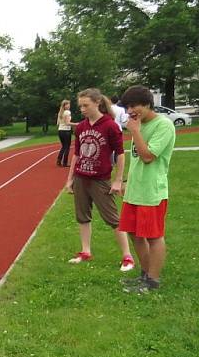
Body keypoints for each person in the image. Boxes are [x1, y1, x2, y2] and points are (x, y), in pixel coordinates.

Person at [64, 88, 135, 272]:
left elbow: (120, 154)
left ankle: (127, 256)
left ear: (97, 103)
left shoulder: (110, 125)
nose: (82, 109)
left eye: (85, 105)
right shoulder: (81, 127)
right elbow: (77, 154)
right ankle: (85, 251)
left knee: (113, 219)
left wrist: (118, 180)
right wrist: (70, 179)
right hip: (81, 177)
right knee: (82, 216)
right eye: (80, 106)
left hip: (100, 179)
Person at [117, 85, 176, 293]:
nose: (131, 111)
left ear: (148, 104)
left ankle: (153, 280)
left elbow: (148, 157)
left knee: (153, 236)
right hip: (135, 190)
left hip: (151, 192)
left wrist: (135, 131)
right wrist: (125, 182)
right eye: (127, 107)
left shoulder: (164, 126)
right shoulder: (138, 125)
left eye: (134, 106)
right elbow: (135, 159)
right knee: (134, 233)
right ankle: (144, 273)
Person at [56, 99, 76, 167]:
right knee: (67, 147)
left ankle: (59, 160)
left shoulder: (60, 112)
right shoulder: (67, 112)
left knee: (63, 146)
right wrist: (77, 124)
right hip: (66, 131)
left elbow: (58, 123)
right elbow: (67, 123)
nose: (69, 105)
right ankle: (65, 162)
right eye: (67, 104)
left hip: (60, 130)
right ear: (64, 106)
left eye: (69, 104)